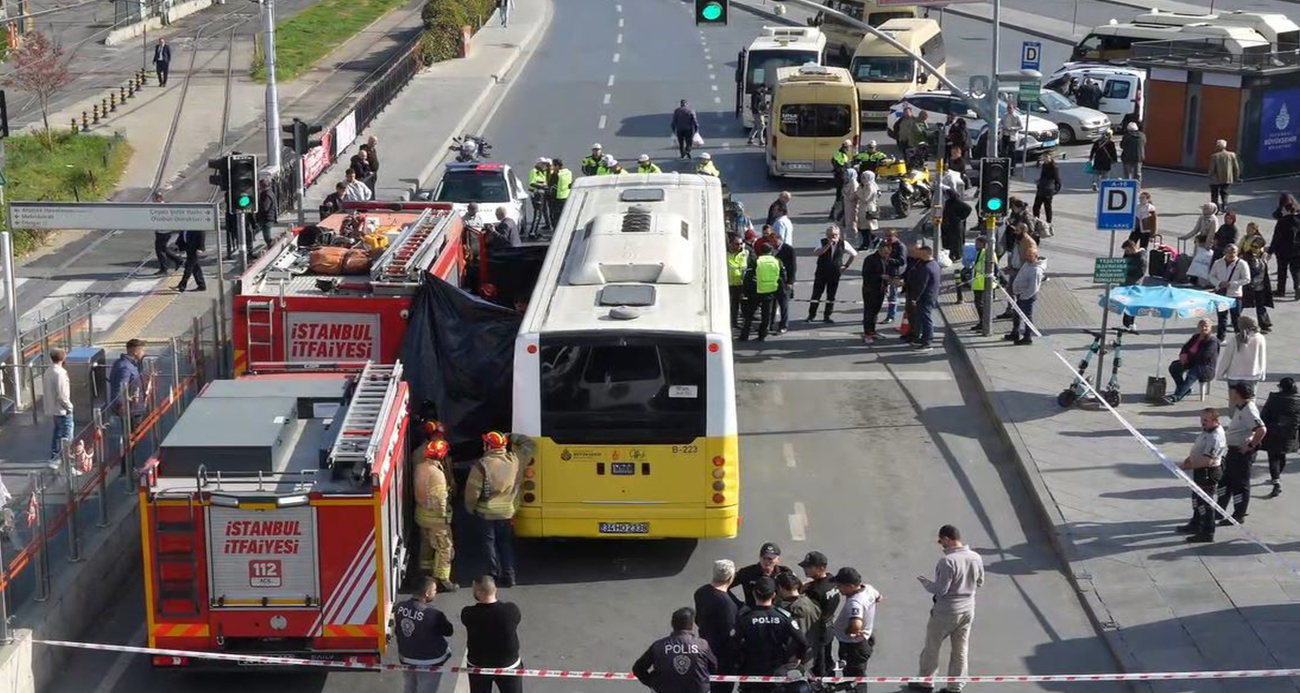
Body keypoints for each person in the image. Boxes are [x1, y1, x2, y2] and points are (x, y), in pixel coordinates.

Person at [910, 525, 985, 693]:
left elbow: (941, 589)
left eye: (940, 541)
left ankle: (926, 682)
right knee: (960, 649)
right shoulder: (975, 557)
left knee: (932, 646)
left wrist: (926, 583)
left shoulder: (947, 561)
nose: (941, 544)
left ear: (947, 539)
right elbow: (980, 582)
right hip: (968, 609)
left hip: (946, 611)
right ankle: (955, 686)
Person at [464, 432, 529, 587]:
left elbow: (472, 492)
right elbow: (529, 445)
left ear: (488, 445)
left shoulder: (482, 465)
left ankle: (493, 575)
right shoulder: (515, 460)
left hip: (486, 512)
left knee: (489, 544)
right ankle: (509, 576)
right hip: (506, 511)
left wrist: (470, 508)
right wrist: (512, 436)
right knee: (505, 544)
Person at [731, 576, 806, 692]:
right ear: (774, 595)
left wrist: (736, 663)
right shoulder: (784, 617)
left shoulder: (744, 617)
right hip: (776, 668)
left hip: (750, 669)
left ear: (754, 594)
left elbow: (734, 643)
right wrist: (797, 657)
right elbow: (803, 642)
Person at [1173, 409, 1228, 544]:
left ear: (1215, 421)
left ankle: (1207, 532)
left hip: (1208, 472)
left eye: (1206, 420)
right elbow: (1199, 449)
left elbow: (1207, 460)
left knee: (1206, 503)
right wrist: (1189, 459)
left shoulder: (1215, 437)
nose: (1202, 423)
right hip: (1200, 469)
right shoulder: (1208, 430)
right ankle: (1195, 523)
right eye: (1202, 419)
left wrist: (1185, 466)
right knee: (1197, 500)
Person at [461, 576, 523, 693]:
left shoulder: (468, 613)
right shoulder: (511, 610)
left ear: (479, 592)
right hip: (508, 665)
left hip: (478, 665)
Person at [633, 607, 717, 693]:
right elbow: (713, 667)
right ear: (691, 625)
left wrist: (653, 683)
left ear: (672, 624)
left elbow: (638, 668)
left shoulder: (658, 646)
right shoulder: (702, 645)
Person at [1218, 383, 1267, 525]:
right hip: (1232, 451)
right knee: (1225, 481)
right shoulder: (1241, 407)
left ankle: (1238, 514)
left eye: (1232, 390)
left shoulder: (1249, 410)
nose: (1230, 393)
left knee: (1240, 484)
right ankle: (1219, 509)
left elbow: (1261, 430)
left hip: (1241, 454)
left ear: (1238, 393)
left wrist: (1250, 445)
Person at [396, 576, 455, 693]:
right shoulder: (434, 614)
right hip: (430, 661)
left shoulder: (400, 607)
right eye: (434, 590)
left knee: (409, 687)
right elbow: (449, 631)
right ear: (427, 593)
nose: (435, 592)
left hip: (406, 657)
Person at [693, 560, 743, 693]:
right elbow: (730, 633)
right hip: (722, 657)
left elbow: (698, 619)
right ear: (730, 578)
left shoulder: (701, 592)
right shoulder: (727, 604)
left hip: (704, 648)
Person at [416, 436, 457, 593]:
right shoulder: (437, 474)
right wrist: (445, 518)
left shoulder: (421, 466)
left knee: (426, 546)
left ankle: (425, 573)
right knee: (444, 547)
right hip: (436, 519)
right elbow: (440, 499)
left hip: (422, 516)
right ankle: (442, 579)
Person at [832, 567, 881, 693]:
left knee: (855, 679)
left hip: (853, 647)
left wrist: (849, 631)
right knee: (857, 675)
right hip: (864, 640)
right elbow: (879, 598)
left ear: (850, 586)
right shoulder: (868, 589)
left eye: (840, 586)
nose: (838, 588)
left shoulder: (855, 602)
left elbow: (856, 624)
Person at [797, 552, 837, 676]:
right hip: (829, 626)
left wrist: (801, 591)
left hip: (818, 629)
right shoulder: (832, 580)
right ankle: (830, 681)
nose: (805, 569)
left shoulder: (814, 591)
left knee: (818, 664)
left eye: (809, 567)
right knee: (827, 658)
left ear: (821, 568)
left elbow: (805, 610)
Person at [807, 225, 857, 323]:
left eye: (835, 235)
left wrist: (845, 266)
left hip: (834, 273)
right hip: (821, 272)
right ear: (827, 235)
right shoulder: (822, 242)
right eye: (830, 235)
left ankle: (827, 315)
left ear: (839, 235)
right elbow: (817, 253)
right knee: (816, 294)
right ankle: (811, 315)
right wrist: (827, 245)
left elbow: (854, 254)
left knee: (831, 295)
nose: (832, 237)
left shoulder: (843, 243)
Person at [1261, 378, 1300, 499]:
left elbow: (1264, 415)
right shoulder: (1298, 401)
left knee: (1273, 458)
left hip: (1273, 432)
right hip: (1290, 434)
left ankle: (1276, 481)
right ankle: (1276, 478)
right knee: (1281, 455)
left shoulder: (1274, 398)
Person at [775, 572, 822, 672]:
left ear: (780, 588)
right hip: (809, 656)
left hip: (791, 658)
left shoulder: (783, 611)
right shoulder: (812, 604)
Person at [1166, 319, 1220, 404]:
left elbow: (1204, 356)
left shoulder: (1212, 341)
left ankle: (1177, 396)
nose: (1204, 328)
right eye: (1202, 326)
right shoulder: (1196, 337)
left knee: (1193, 372)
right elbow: (1186, 347)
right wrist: (1183, 354)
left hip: (1205, 367)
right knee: (1174, 367)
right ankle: (1184, 389)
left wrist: (1188, 357)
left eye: (1206, 326)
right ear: (1198, 327)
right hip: (1192, 362)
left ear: (1210, 328)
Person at [740, 243, 782, 343]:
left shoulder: (756, 261)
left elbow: (748, 278)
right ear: (771, 251)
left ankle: (744, 335)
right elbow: (782, 276)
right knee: (766, 316)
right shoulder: (777, 261)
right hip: (770, 291)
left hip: (756, 291)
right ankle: (762, 335)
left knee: (749, 315)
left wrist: (745, 291)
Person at [732, 542, 794, 607]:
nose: (766, 561)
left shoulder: (784, 573)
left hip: (777, 611)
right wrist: (738, 605)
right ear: (759, 557)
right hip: (752, 610)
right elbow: (724, 586)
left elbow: (795, 590)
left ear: (778, 559)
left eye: (770, 559)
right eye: (764, 558)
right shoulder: (747, 572)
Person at [1216, 314, 1267, 394]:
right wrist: (1262, 373)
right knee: (1250, 399)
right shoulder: (1260, 338)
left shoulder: (1235, 339)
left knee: (1234, 400)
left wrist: (1220, 373)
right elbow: (1262, 358)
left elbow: (1226, 358)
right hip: (1252, 374)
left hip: (1234, 374)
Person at [1209, 243, 1249, 341]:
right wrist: (1219, 283)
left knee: (1236, 318)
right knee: (1222, 318)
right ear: (1225, 253)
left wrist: (1231, 284)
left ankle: (1239, 337)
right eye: (1229, 252)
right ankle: (1220, 338)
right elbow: (1211, 276)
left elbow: (1247, 279)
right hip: (1222, 295)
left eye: (1234, 252)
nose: (1232, 254)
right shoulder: (1218, 263)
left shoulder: (1242, 264)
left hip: (1235, 295)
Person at [1006, 245, 1043, 346]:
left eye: (1030, 255)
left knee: (1027, 317)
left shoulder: (1036, 270)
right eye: (1027, 255)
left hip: (1026, 297)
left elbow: (1033, 288)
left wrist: (1023, 296)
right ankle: (1015, 332)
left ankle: (1027, 337)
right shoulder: (1027, 264)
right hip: (1020, 295)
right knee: (1016, 314)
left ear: (1035, 256)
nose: (1027, 257)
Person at [906, 243, 941, 351]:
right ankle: (923, 339)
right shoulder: (933, 264)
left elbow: (921, 285)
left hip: (925, 297)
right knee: (922, 318)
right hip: (930, 295)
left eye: (920, 253)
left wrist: (914, 298)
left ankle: (927, 342)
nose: (918, 255)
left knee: (925, 319)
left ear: (926, 254)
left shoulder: (926, 267)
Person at [1241, 225, 1274, 333]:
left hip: (1260, 285)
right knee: (1242, 303)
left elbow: (1265, 271)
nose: (1255, 248)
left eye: (1257, 246)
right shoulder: (1246, 257)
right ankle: (1235, 319)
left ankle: (1264, 323)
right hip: (1248, 285)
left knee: (1260, 305)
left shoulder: (1262, 257)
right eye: (1253, 246)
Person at [42, 348, 73, 461]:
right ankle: (66, 461)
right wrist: (70, 407)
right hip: (62, 409)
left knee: (57, 433)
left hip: (54, 409)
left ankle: (55, 457)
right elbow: (62, 395)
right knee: (66, 435)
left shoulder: (48, 371)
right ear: (63, 358)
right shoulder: (60, 373)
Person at [860, 241, 892, 343]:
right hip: (870, 289)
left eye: (888, 253)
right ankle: (867, 333)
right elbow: (866, 275)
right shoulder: (870, 259)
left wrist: (886, 285)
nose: (887, 255)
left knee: (875, 312)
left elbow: (887, 271)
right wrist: (880, 276)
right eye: (885, 252)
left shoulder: (885, 259)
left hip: (880, 289)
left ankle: (872, 331)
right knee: (869, 312)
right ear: (879, 250)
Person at [1270, 194, 1300, 298]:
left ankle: (1281, 290)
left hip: (1283, 250)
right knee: (1296, 270)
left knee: (1282, 270)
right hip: (1297, 249)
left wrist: (1270, 251)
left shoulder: (1282, 221)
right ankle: (1297, 287)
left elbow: (1276, 237)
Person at [767, 229, 796, 336]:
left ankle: (783, 325)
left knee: (784, 304)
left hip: (784, 281)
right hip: (772, 281)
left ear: (779, 240)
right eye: (771, 242)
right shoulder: (771, 250)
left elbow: (792, 267)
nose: (772, 244)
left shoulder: (789, 250)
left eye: (774, 241)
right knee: (772, 304)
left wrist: (790, 282)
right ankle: (771, 323)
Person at [109, 339, 147, 420]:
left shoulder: (131, 364)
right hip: (131, 410)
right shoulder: (125, 367)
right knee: (135, 431)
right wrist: (121, 405)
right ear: (136, 352)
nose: (144, 353)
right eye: (142, 351)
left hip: (135, 407)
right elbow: (120, 388)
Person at [969, 235, 998, 331]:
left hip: (983, 283)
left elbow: (993, 268)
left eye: (977, 243)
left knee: (981, 305)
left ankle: (983, 323)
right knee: (979, 304)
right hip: (979, 282)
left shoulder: (987, 253)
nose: (975, 245)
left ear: (983, 244)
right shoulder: (980, 252)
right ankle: (982, 322)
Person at [151, 193, 183, 275]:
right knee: (163, 249)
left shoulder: (162, 207)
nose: (152, 200)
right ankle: (178, 260)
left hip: (164, 231)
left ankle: (164, 269)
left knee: (160, 251)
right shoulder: (160, 206)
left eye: (154, 199)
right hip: (161, 231)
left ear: (158, 199)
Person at [1208, 139, 1241, 211]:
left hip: (1215, 179)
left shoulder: (1214, 156)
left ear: (1217, 146)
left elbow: (1212, 169)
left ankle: (1215, 208)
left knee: (1214, 194)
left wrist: (1209, 175)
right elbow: (1236, 167)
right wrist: (1236, 177)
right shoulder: (1232, 155)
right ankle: (1224, 205)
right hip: (1227, 178)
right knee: (1225, 192)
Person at [726, 234, 749, 330]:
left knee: (736, 305)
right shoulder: (725, 254)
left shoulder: (745, 253)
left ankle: (734, 323)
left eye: (741, 243)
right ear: (730, 244)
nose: (739, 246)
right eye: (736, 244)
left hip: (739, 284)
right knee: (727, 305)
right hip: (727, 284)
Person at [175, 226, 206, 293]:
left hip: (195, 247)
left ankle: (182, 285)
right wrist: (179, 246)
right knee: (195, 267)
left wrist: (200, 247)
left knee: (189, 267)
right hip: (189, 246)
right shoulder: (186, 223)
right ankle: (201, 285)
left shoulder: (196, 223)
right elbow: (182, 234)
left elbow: (201, 233)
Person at [1032, 154, 1061, 225]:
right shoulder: (1044, 165)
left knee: (1047, 207)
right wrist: (1039, 182)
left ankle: (1049, 222)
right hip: (1041, 188)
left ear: (1051, 158)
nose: (1045, 159)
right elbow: (1042, 176)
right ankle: (1036, 220)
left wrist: (1056, 190)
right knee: (1036, 206)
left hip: (1048, 190)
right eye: (1044, 158)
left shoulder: (1054, 167)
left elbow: (1057, 179)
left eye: (1047, 158)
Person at [857, 169, 880, 250]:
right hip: (865, 207)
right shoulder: (868, 185)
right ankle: (871, 241)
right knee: (864, 227)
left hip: (867, 208)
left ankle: (867, 243)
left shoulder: (870, 186)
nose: (862, 178)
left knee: (866, 227)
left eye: (864, 177)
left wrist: (858, 192)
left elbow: (865, 198)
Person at [254, 179, 278, 251]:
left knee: (267, 236)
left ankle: (272, 248)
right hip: (269, 217)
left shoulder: (266, 194)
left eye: (259, 185)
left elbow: (265, 207)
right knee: (266, 234)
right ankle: (271, 247)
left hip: (267, 218)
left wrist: (257, 207)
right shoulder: (269, 193)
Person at [840, 162, 860, 242]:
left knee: (853, 221)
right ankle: (850, 236)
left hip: (852, 206)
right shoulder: (848, 182)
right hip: (847, 205)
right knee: (848, 221)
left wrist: (845, 195)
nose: (845, 176)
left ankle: (854, 236)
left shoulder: (854, 184)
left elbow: (853, 196)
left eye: (847, 174)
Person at [551, 159, 572, 227]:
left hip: (557, 197)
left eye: (553, 166)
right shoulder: (569, 172)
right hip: (566, 196)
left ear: (557, 166)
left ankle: (556, 231)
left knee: (556, 216)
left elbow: (550, 184)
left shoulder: (556, 174)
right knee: (565, 215)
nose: (552, 167)